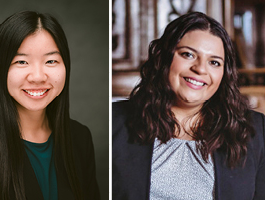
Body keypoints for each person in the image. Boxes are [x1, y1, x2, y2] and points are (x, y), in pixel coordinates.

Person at [112, 12, 265, 200]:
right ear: (164, 58)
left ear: (224, 74)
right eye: (188, 54)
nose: (200, 68)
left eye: (214, 62)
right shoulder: (114, 122)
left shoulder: (256, 131)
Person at [0, 11, 100, 200]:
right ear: (0, 67)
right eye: (21, 61)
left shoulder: (80, 138)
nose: (38, 77)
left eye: (51, 61)